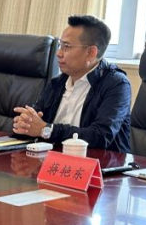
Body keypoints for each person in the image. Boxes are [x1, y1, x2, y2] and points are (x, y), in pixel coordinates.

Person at [12, 14, 131, 151]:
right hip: (53, 159)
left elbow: (100, 136)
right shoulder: (57, 83)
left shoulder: (117, 85)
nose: (58, 53)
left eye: (66, 46)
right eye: (60, 45)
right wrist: (24, 123)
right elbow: (35, 122)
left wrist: (46, 130)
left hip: (99, 162)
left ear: (91, 52)